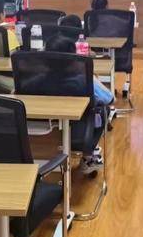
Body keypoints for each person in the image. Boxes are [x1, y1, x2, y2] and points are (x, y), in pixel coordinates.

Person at [45, 35, 112, 174]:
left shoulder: (37, 79)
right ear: (73, 58)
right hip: (77, 136)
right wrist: (90, 76)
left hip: (44, 137)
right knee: (104, 109)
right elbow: (109, 99)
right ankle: (88, 157)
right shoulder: (83, 81)